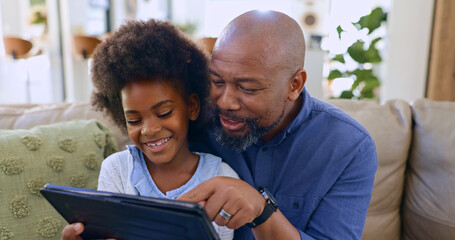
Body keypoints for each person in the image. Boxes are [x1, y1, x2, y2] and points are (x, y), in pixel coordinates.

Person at [63, 10, 378, 240]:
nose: (225, 101)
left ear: (294, 84)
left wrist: (262, 210)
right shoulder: (195, 117)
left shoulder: (348, 148)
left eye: (248, 88)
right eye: (216, 81)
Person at [61, 19, 238, 240]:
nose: (150, 129)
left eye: (164, 113)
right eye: (134, 120)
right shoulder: (117, 170)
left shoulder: (222, 177)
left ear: (191, 107)